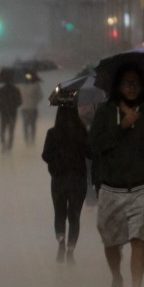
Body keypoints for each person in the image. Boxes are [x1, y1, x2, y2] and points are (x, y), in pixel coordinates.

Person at [90, 65, 144, 287]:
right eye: (126, 83)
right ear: (118, 87)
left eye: (136, 83)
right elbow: (95, 146)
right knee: (111, 242)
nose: (131, 88)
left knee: (139, 240)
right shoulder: (105, 112)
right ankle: (116, 278)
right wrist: (122, 126)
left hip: (142, 187)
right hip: (112, 187)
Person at [41, 105, 92, 264]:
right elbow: (90, 153)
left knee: (60, 213)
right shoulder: (81, 131)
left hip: (59, 178)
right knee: (74, 215)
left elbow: (45, 155)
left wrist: (57, 162)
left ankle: (61, 242)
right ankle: (71, 250)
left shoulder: (52, 133)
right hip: (78, 179)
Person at [0, 81, 22, 152]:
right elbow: (20, 102)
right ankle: (9, 146)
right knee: (11, 131)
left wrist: (1, 109)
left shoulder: (1, 90)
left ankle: (3, 144)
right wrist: (13, 106)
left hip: (3, 113)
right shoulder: (16, 90)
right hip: (12, 113)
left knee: (2, 130)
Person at [19, 81, 43, 145]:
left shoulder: (21, 85)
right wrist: (35, 101)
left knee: (25, 125)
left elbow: (18, 96)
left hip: (24, 108)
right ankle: (32, 140)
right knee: (33, 125)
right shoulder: (36, 85)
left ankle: (26, 140)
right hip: (33, 107)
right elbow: (40, 97)